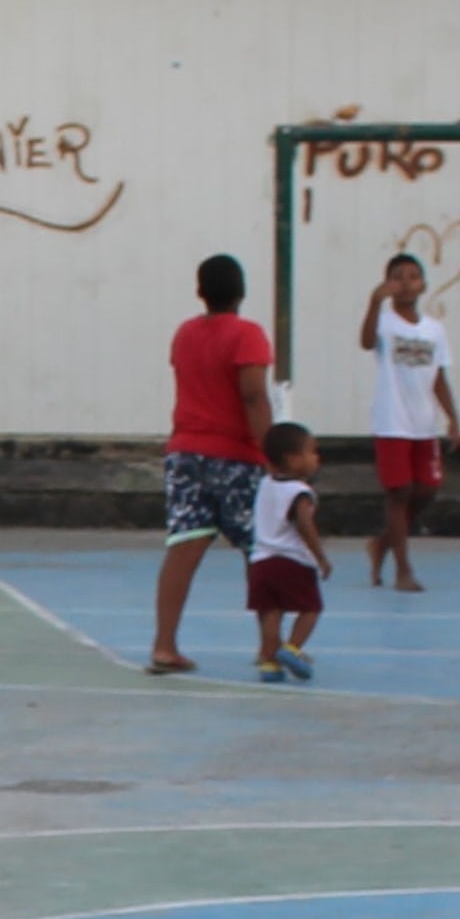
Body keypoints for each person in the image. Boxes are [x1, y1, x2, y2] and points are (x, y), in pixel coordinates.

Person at [145, 252, 277, 678]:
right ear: (241, 291)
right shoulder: (248, 335)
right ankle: (269, 646)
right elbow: (253, 394)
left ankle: (165, 644)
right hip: (235, 456)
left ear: (200, 292)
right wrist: (271, 451)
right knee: (259, 551)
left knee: (183, 547)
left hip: (185, 453)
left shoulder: (185, 334)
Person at [359, 254, 460, 590]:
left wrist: (453, 418)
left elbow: (438, 377)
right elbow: (366, 341)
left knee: (427, 490)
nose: (406, 283)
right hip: (392, 421)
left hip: (423, 423)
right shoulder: (384, 322)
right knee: (398, 493)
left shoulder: (434, 329)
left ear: (423, 285)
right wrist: (374, 303)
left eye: (413, 277)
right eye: (398, 276)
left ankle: (383, 542)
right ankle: (402, 569)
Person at [250, 422, 330, 685]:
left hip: (261, 561)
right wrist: (320, 556)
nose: (316, 458)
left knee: (271, 612)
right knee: (311, 608)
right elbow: (304, 525)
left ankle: (270, 662)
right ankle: (292, 648)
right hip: (291, 560)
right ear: (294, 460)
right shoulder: (300, 492)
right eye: (312, 452)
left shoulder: (265, 484)